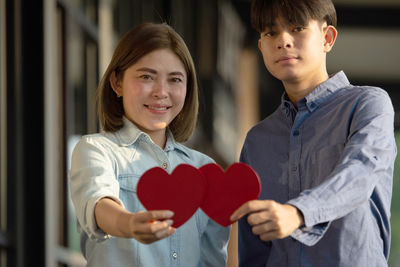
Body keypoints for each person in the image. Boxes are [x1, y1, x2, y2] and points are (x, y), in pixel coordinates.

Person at [230, 0, 397, 266]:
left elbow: (361, 171)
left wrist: (298, 213)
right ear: (261, 46)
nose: (283, 41)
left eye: (297, 28)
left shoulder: (368, 104)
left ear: (327, 38)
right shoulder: (257, 140)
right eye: (271, 32)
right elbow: (254, 244)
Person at [69, 22, 230, 267]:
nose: (161, 91)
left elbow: (214, 257)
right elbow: (99, 204)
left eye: (175, 79)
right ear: (117, 83)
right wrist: (129, 224)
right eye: (146, 76)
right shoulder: (96, 150)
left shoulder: (205, 169)